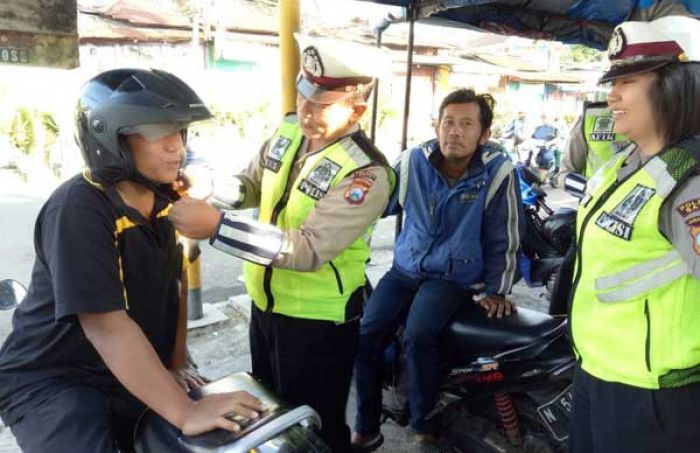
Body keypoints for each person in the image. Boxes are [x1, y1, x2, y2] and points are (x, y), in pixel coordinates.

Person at [0, 69, 265, 452]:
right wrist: (186, 412)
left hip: (124, 370)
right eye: (159, 132)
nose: (177, 147)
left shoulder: (166, 202)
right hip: (54, 380)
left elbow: (172, 289)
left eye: (180, 131)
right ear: (111, 139)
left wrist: (176, 363)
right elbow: (107, 327)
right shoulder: (79, 208)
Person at [168, 36, 395, 452]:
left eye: (322, 106)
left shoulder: (367, 173)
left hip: (319, 323)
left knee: (319, 427)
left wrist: (216, 227)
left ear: (357, 109)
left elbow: (307, 249)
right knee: (275, 419)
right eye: (302, 96)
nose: (306, 112)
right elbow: (252, 185)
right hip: (268, 307)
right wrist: (211, 187)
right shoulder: (289, 128)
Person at [351, 88, 525, 452]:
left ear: (484, 133)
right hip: (406, 268)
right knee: (365, 334)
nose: (455, 132)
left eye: (466, 124)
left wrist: (498, 289)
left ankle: (422, 423)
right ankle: (366, 426)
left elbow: (504, 233)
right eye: (448, 122)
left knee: (419, 334)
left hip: (453, 278)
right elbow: (377, 203)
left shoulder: (496, 172)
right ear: (437, 125)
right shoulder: (412, 160)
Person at [568, 16, 700, 453]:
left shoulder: (691, 181)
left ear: (677, 84)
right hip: (596, 371)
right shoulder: (623, 164)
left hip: (653, 398)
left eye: (629, 80)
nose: (613, 94)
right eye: (613, 80)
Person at [557, 102, 628, 186]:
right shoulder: (592, 116)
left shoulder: (646, 120)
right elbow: (565, 174)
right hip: (600, 198)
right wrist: (587, 190)